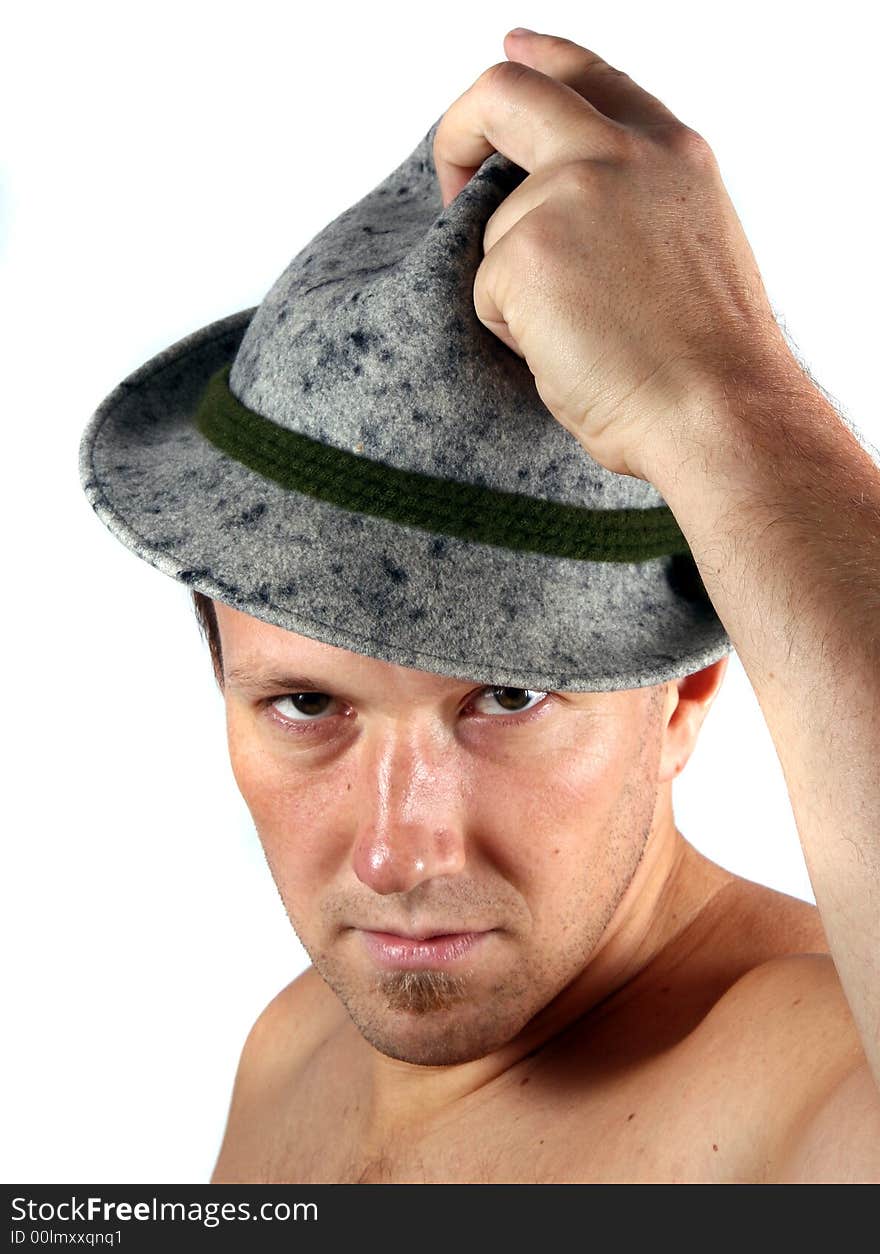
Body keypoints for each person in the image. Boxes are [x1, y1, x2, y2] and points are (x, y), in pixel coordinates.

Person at [79, 28, 880, 1183]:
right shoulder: (290, 1050)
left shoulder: (802, 1079)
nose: (402, 854)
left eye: (506, 695)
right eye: (306, 704)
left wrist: (724, 388)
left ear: (683, 695)